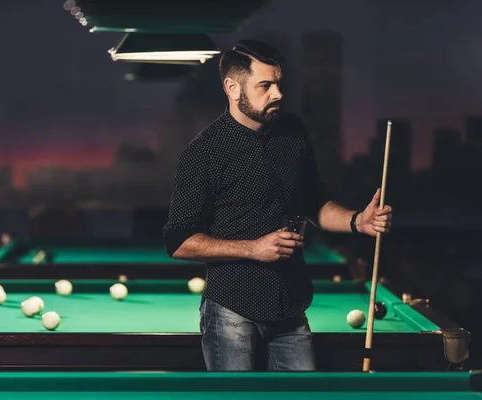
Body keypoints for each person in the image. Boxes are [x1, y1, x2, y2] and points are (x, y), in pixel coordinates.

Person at [162, 39, 393, 371]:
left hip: (290, 308)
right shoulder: (203, 153)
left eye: (278, 84)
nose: (277, 94)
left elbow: (315, 204)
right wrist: (253, 249)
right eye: (265, 85)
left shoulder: (292, 131)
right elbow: (178, 241)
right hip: (230, 310)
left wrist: (358, 221)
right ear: (232, 87)